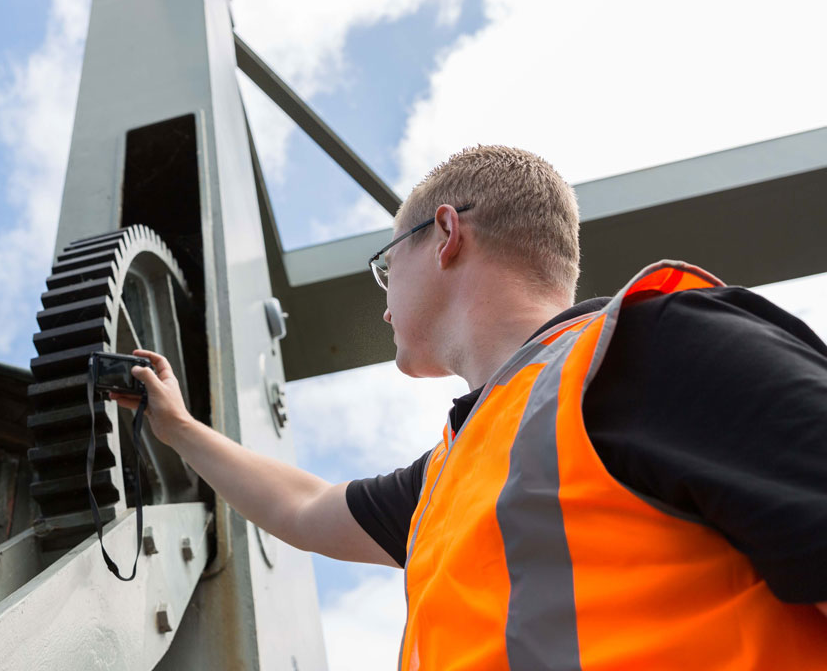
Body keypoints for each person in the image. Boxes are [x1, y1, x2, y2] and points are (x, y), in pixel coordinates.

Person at [111, 145, 827, 669]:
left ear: (447, 235)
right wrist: (177, 428)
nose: (385, 306)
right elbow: (303, 510)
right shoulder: (454, 477)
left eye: (388, 268)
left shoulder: (658, 349)